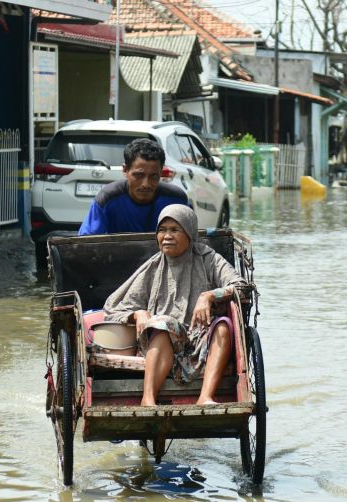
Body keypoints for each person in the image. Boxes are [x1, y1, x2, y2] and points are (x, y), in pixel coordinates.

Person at [103, 204, 248, 406]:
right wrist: (138, 314)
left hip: (200, 339)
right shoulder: (153, 266)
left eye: (174, 230)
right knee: (163, 324)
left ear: (189, 232)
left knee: (223, 327)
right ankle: (148, 399)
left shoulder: (208, 259)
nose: (167, 236)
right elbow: (114, 307)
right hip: (161, 342)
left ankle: (205, 397)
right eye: (162, 230)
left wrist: (209, 295)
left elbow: (242, 287)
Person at [79, 138, 189, 235]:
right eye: (139, 175)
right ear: (125, 170)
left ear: (160, 173)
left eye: (153, 176)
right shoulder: (107, 199)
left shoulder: (176, 200)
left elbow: (189, 240)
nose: (146, 184)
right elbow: (85, 242)